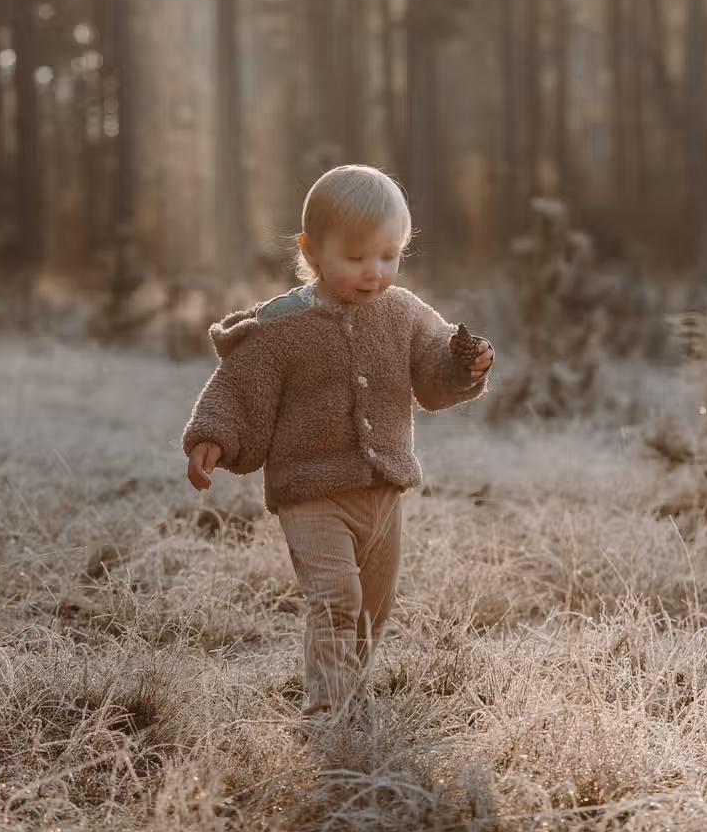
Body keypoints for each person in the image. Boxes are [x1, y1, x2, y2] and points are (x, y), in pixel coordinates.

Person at [182, 165, 492, 725]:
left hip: (382, 492)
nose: (375, 273)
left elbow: (433, 362)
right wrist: (213, 435)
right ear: (311, 250)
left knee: (372, 609)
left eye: (389, 256)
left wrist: (461, 362)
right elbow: (239, 385)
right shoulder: (282, 324)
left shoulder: (404, 313)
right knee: (336, 600)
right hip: (311, 493)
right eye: (356, 258)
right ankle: (329, 711)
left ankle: (352, 691)